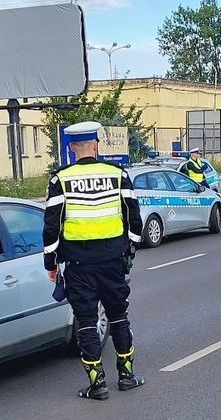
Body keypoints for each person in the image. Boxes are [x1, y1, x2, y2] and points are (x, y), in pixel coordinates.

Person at [44, 121, 145, 400]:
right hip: (113, 261)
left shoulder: (60, 179)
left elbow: (52, 227)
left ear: (71, 148)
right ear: (96, 146)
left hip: (77, 265)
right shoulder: (117, 174)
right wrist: (131, 250)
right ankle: (126, 376)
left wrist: (51, 264)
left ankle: (96, 384)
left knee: (87, 320)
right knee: (118, 316)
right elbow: (133, 217)